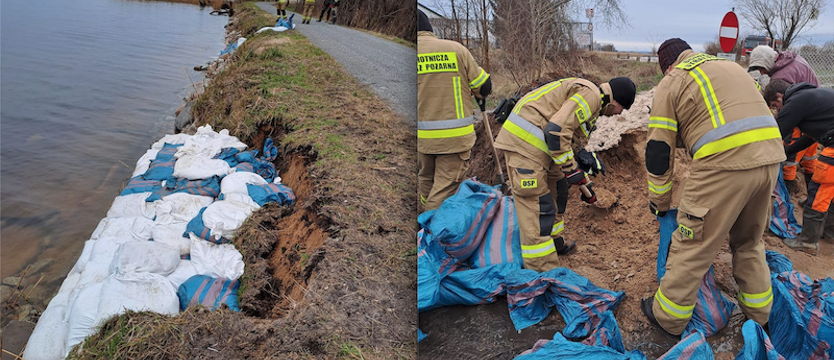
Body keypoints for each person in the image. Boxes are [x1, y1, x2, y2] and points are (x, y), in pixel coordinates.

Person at [641, 38, 785, 338]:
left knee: (693, 242)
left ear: (666, 66)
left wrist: (660, 202)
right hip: (770, 157)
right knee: (749, 241)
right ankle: (762, 317)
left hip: (724, 163)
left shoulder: (673, 80)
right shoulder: (728, 66)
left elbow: (658, 151)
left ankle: (667, 318)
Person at [493, 76, 635, 272]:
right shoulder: (592, 95)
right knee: (539, 209)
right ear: (615, 101)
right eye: (622, 108)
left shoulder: (593, 101)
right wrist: (571, 169)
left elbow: (569, 134)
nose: (618, 113)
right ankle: (544, 274)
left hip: (542, 150)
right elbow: (556, 131)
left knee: (559, 187)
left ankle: (555, 242)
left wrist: (580, 168)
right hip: (525, 147)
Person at [417, 10, 491, 212]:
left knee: (426, 181)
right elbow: (484, 87)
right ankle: (430, 229)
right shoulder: (454, 49)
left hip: (421, 138)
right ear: (430, 29)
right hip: (454, 140)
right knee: (445, 189)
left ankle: (423, 219)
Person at [764, 79, 834, 254]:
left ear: (780, 97)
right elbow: (810, 137)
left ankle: (808, 242)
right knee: (831, 190)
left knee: (818, 191)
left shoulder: (795, 101)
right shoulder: (811, 98)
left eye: (775, 105)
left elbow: (776, 132)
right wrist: (787, 152)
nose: (777, 110)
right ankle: (830, 233)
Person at [748, 44, 821, 191]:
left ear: (767, 62)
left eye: (761, 68)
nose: (762, 73)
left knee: (789, 158)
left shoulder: (781, 77)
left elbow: (784, 111)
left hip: (801, 119)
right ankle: (809, 197)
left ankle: (787, 193)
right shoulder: (793, 60)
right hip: (815, 115)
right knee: (809, 158)